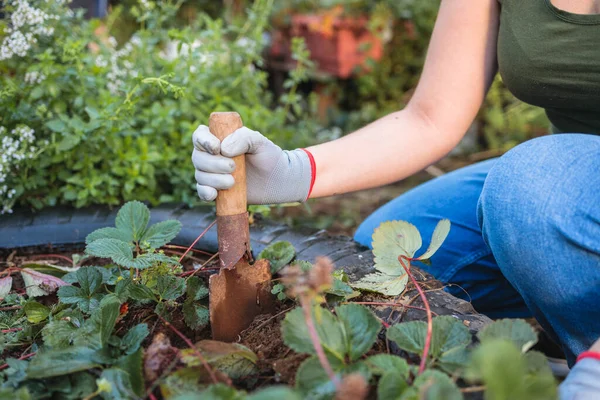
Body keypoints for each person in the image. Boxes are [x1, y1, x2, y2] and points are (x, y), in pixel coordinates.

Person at [191, 0, 600, 371]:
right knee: (390, 256)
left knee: (530, 191)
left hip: (551, 185)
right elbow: (430, 117)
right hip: (572, 181)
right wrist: (291, 171)